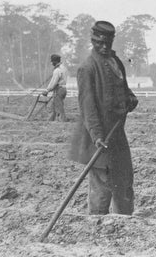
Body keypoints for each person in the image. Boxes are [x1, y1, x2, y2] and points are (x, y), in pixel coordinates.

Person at [69, 20, 139, 215]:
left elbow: (124, 90)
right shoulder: (87, 68)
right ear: (92, 41)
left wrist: (130, 98)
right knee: (102, 185)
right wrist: (97, 136)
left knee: (124, 180)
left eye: (107, 43)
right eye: (99, 43)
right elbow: (87, 107)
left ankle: (124, 222)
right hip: (98, 138)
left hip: (117, 134)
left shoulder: (116, 63)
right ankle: (97, 225)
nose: (103, 46)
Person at [42, 54, 69, 122]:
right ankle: (51, 119)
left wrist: (47, 90)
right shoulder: (64, 68)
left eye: (52, 62)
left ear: (55, 61)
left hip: (59, 89)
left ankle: (63, 120)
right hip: (64, 89)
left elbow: (54, 82)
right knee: (54, 105)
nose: (51, 63)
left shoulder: (57, 70)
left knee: (59, 106)